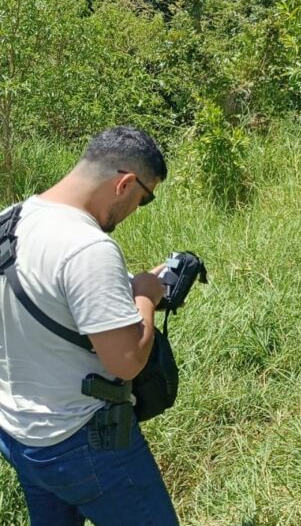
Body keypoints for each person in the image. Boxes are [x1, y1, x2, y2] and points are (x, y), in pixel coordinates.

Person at [0, 126, 178, 524]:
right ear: (126, 183)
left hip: (19, 433)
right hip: (85, 440)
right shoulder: (88, 247)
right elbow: (127, 360)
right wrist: (146, 295)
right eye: (145, 199)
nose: (137, 208)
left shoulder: (10, 221)